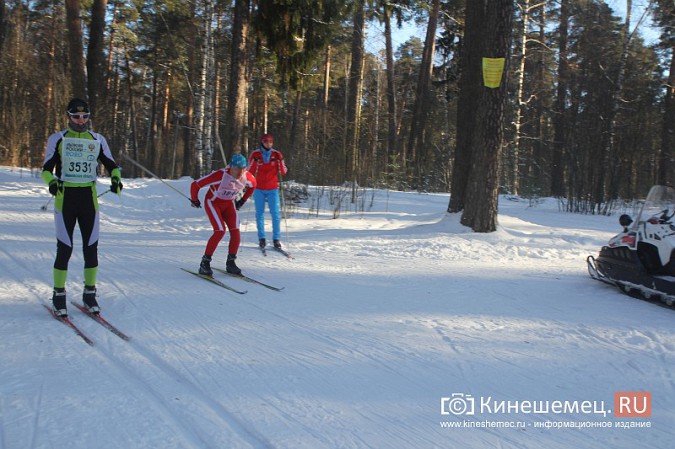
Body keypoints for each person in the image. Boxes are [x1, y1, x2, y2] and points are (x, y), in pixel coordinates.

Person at [42, 98, 123, 317]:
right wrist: (51, 182)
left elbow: (112, 166)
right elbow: (46, 169)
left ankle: (89, 294)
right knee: (65, 248)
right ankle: (59, 295)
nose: (81, 120)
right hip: (65, 198)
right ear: (68, 116)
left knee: (91, 247)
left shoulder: (97, 139)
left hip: (89, 197)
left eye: (85, 116)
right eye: (76, 116)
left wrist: (116, 179)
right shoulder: (58, 139)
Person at [190, 153, 256, 276]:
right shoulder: (220, 175)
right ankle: (205, 263)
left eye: (243, 168)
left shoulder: (247, 177)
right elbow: (195, 184)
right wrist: (194, 199)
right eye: (237, 168)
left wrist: (242, 201)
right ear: (231, 167)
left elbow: (253, 185)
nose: (240, 172)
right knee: (220, 230)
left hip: (228, 204)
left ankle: (231, 263)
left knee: (235, 231)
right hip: (213, 203)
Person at [247, 133, 288, 250]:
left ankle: (276, 239)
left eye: (270, 142)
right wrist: (255, 162)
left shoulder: (277, 154)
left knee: (275, 214)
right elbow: (249, 171)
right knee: (259, 213)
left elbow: (284, 171)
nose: (268, 144)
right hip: (258, 188)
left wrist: (280, 161)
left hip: (272, 188)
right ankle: (262, 238)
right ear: (262, 142)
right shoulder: (255, 154)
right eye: (266, 142)